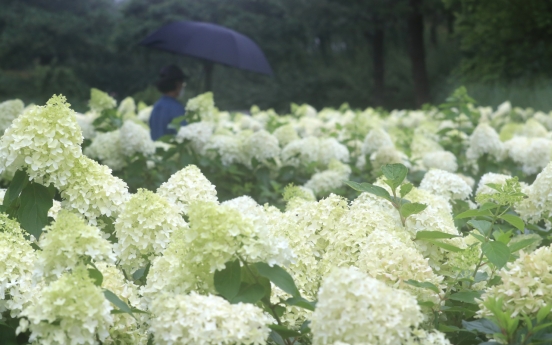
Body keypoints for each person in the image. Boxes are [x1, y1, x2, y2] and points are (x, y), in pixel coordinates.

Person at [149, 64, 188, 140]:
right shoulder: (177, 109)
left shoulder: (156, 106)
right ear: (177, 84)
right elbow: (184, 135)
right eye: (182, 84)